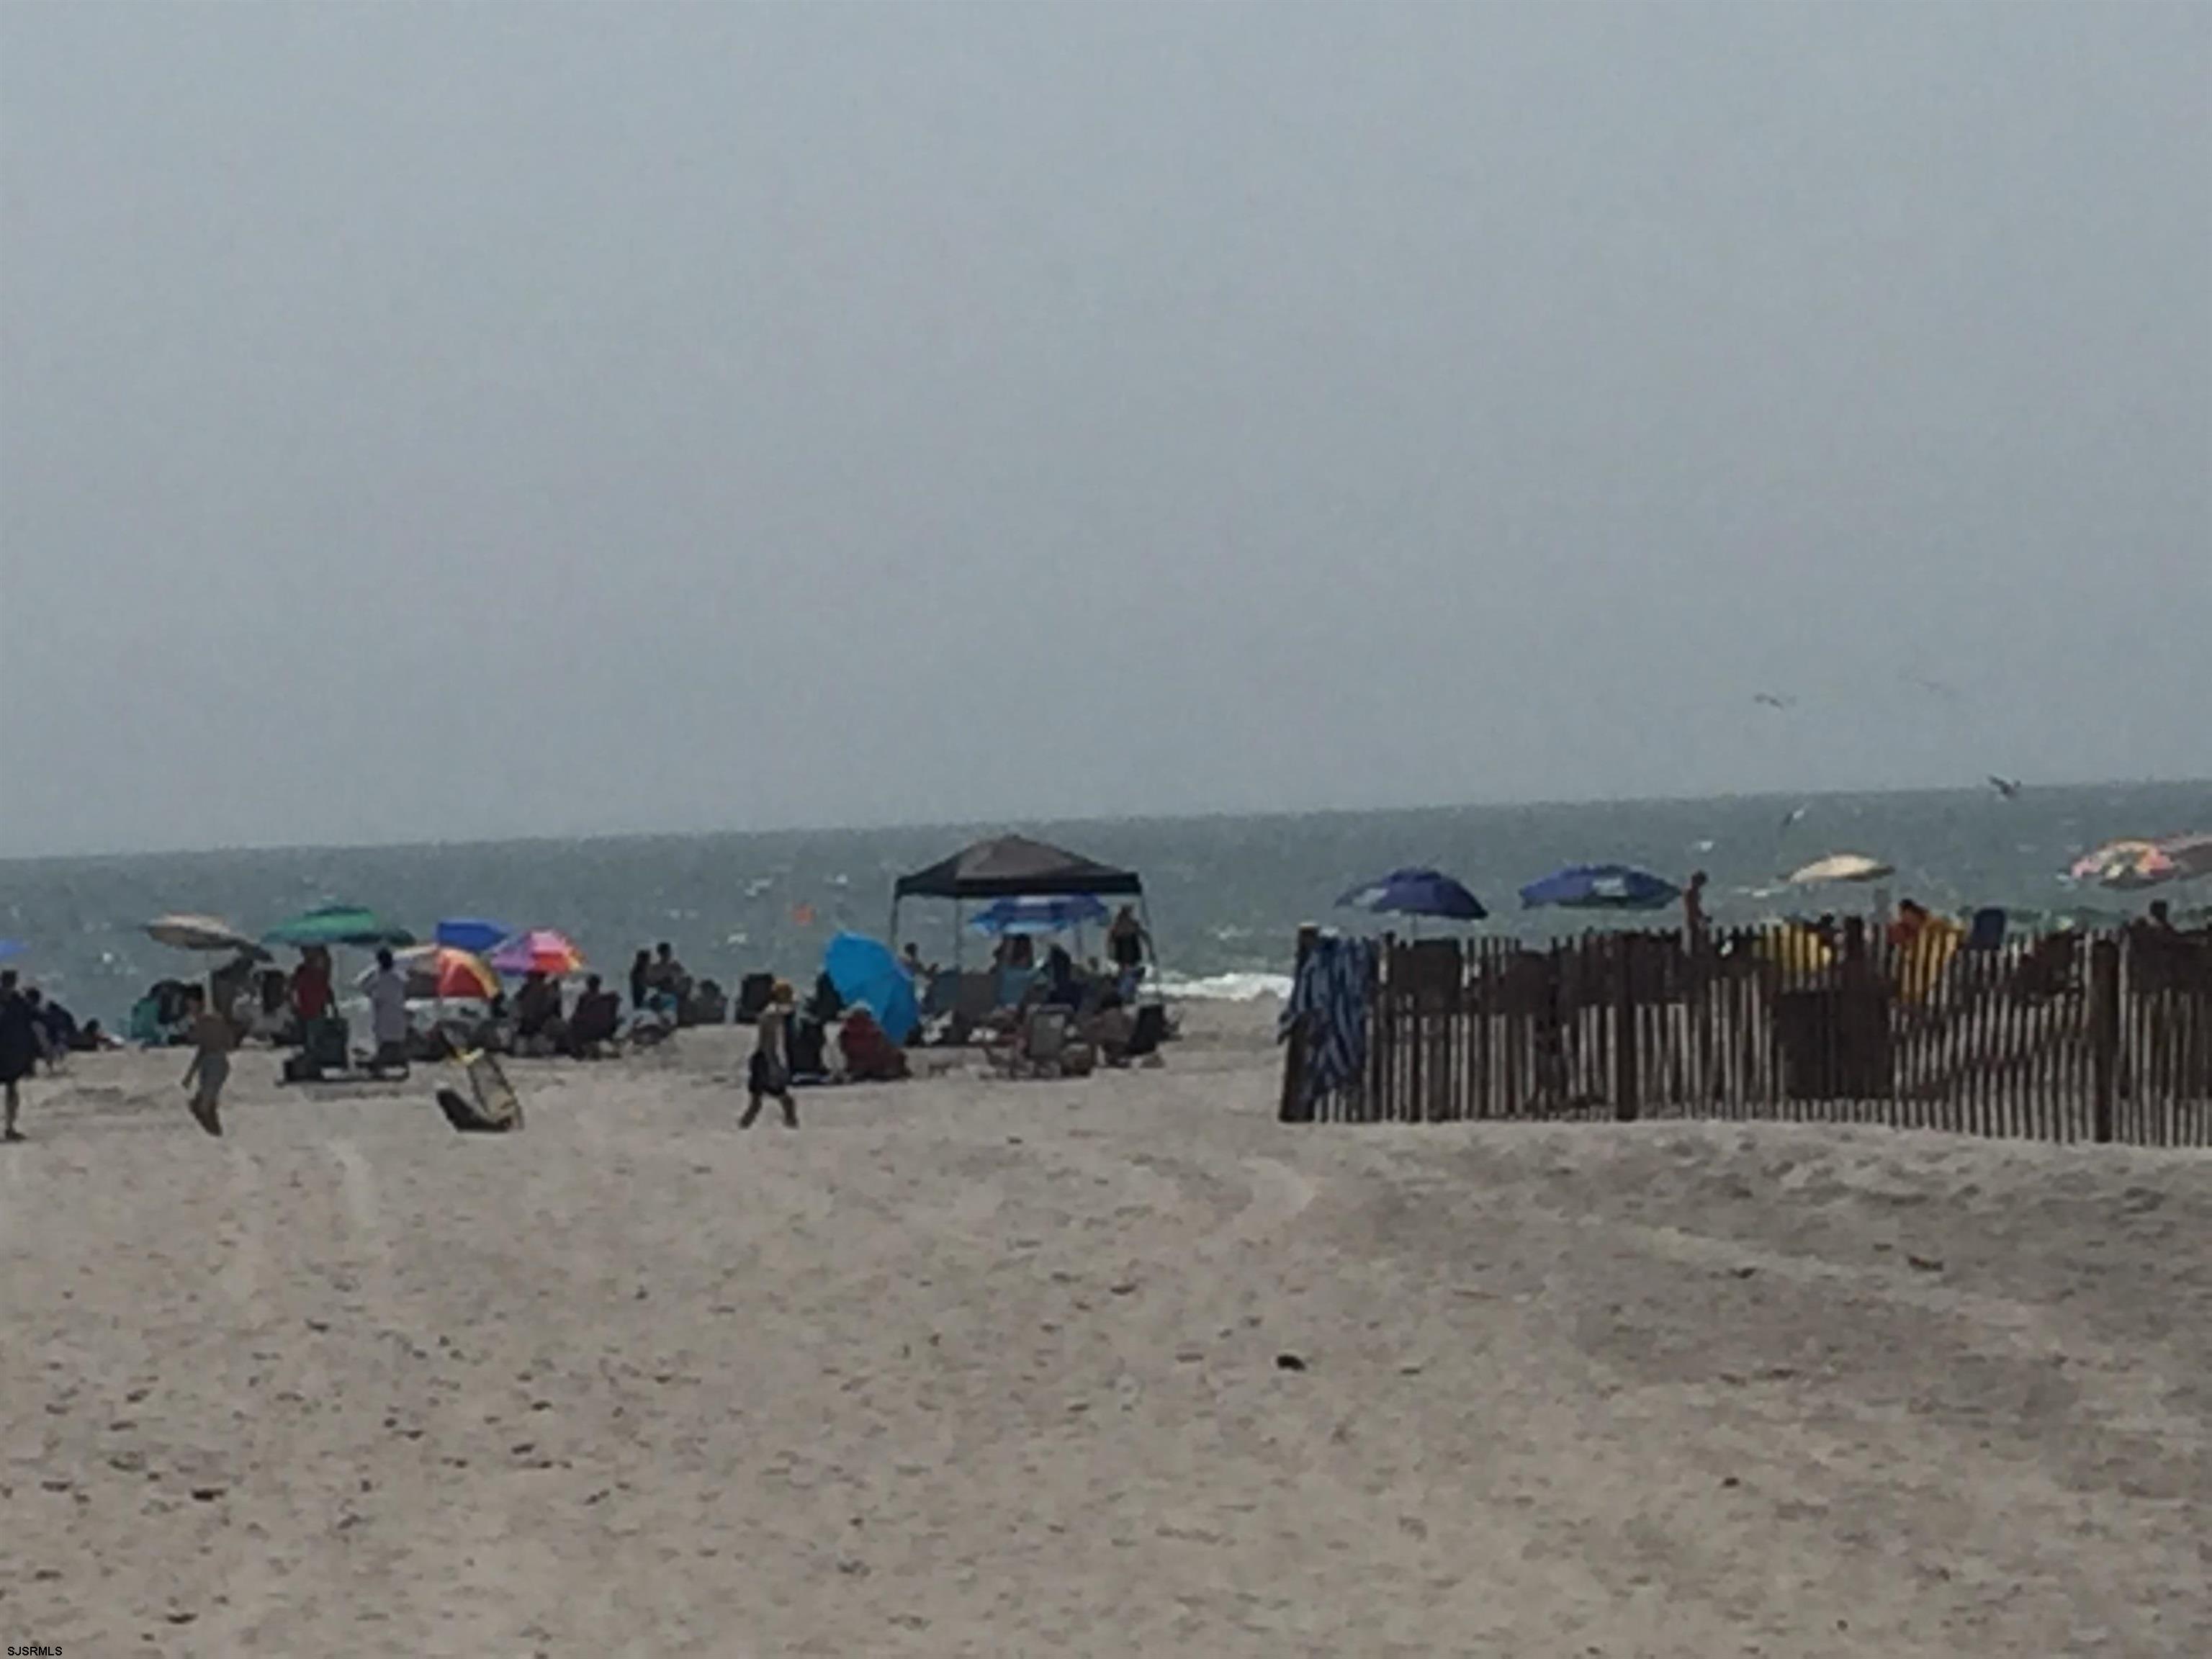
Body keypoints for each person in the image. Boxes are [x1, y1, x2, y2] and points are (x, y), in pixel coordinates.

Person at [742, 981, 798, 1128]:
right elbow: (769, 1043)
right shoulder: (774, 1015)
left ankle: (743, 1126)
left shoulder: (769, 1012)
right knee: (786, 1100)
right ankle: (792, 1125)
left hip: (759, 1058)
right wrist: (775, 1065)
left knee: (756, 1102)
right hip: (765, 1059)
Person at [179, 986, 232, 1136]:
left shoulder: (207, 1020)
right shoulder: (205, 1020)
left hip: (216, 1062)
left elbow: (208, 1046)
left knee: (204, 1105)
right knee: (206, 1104)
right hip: (211, 1063)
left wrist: (190, 1075)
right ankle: (215, 1134)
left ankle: (215, 1134)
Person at [0, 971, 41, 1143]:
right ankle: (9, 1127)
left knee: (12, 1090)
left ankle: (10, 1127)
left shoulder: (20, 1003)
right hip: (9, 1051)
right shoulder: (19, 1003)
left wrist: (31, 1055)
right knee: (12, 1090)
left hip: (13, 1052)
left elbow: (31, 1027)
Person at [366, 946, 411, 1072]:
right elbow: (406, 992)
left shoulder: (379, 977)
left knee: (385, 1043)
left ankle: (380, 1065)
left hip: (384, 1013)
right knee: (396, 1042)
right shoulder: (398, 977)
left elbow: (367, 989)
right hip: (396, 1013)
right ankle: (403, 1066)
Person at [567, 974, 623, 1056]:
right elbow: (613, 1016)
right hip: (605, 1030)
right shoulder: (608, 1000)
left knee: (572, 1025)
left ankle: (577, 1049)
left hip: (587, 1030)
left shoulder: (585, 998)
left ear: (588, 985)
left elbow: (577, 1014)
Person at [1107, 905, 1149, 992]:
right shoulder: (1118, 926)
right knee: (1125, 971)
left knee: (1130, 971)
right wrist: (1110, 953)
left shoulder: (1129, 924)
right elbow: (1110, 940)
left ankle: (1128, 991)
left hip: (1130, 952)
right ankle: (1125, 991)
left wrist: (1149, 947)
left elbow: (1144, 935)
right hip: (1123, 952)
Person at [629, 948, 652, 1012]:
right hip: (641, 1004)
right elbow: (646, 985)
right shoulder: (638, 973)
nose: (649, 963)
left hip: (641, 1002)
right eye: (648, 961)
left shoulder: (639, 972)